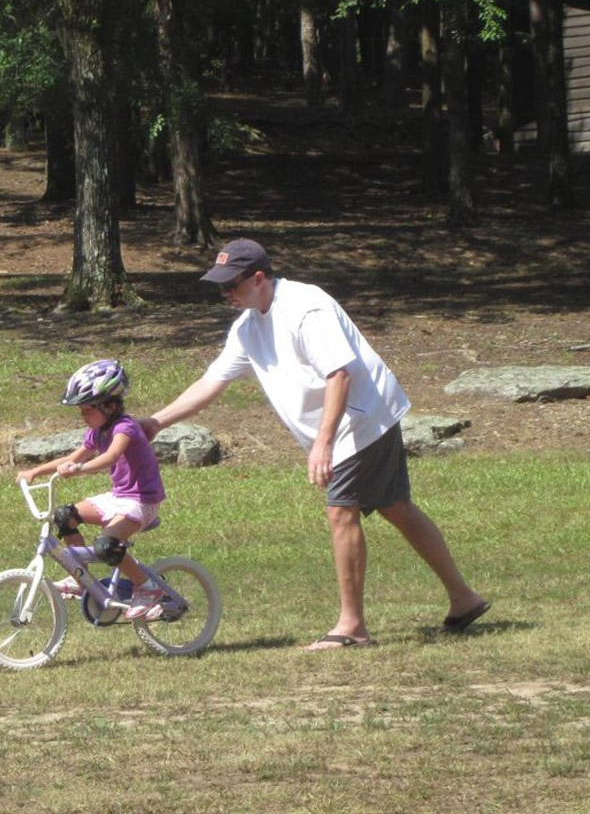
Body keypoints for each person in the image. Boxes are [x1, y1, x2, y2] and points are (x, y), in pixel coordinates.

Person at [143, 239, 489, 649]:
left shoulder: (306, 307)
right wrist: (155, 422)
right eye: (220, 287)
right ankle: (464, 598)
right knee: (396, 507)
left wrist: (323, 444)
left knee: (341, 512)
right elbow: (211, 383)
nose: (225, 293)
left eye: (231, 284)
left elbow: (339, 374)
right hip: (350, 423)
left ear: (259, 277)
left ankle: (352, 627)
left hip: (359, 418)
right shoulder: (248, 328)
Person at [17, 358, 168, 621]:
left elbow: (110, 456)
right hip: (118, 497)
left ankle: (147, 587)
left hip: (141, 502)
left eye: (87, 409)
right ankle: (81, 578)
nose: (83, 416)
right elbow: (71, 458)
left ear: (109, 406)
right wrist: (34, 472)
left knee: (106, 546)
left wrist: (79, 469)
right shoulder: (97, 432)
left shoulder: (125, 427)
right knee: (65, 516)